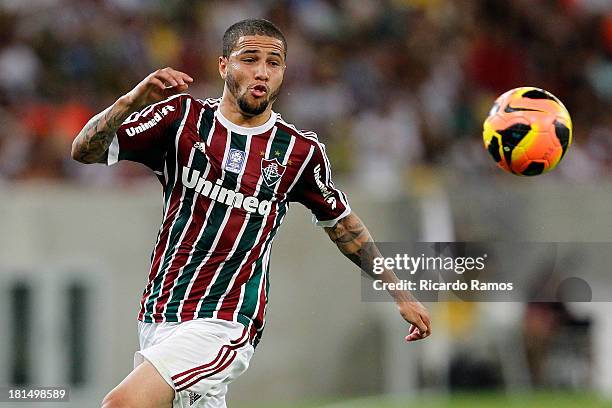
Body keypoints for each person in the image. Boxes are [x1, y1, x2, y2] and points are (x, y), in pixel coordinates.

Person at [71, 18, 431, 408]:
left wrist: (400, 292)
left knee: (120, 405)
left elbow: (343, 225)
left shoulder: (298, 152)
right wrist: (133, 99)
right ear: (224, 65)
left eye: (273, 63)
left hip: (224, 321)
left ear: (283, 73)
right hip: (159, 314)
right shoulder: (182, 120)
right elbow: (85, 151)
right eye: (250, 59)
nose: (262, 71)